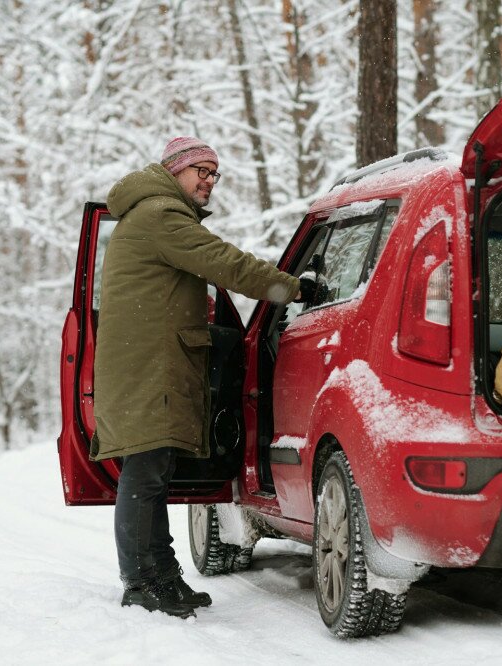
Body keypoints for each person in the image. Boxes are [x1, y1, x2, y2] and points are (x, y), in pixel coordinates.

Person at [91, 137, 303, 619]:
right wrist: (290, 288)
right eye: (201, 171)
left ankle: (162, 575)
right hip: (148, 368)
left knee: (152, 475)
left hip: (148, 364)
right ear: (176, 170)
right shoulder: (162, 215)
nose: (209, 181)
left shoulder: (151, 213)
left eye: (215, 174)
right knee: (145, 475)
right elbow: (225, 262)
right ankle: (142, 581)